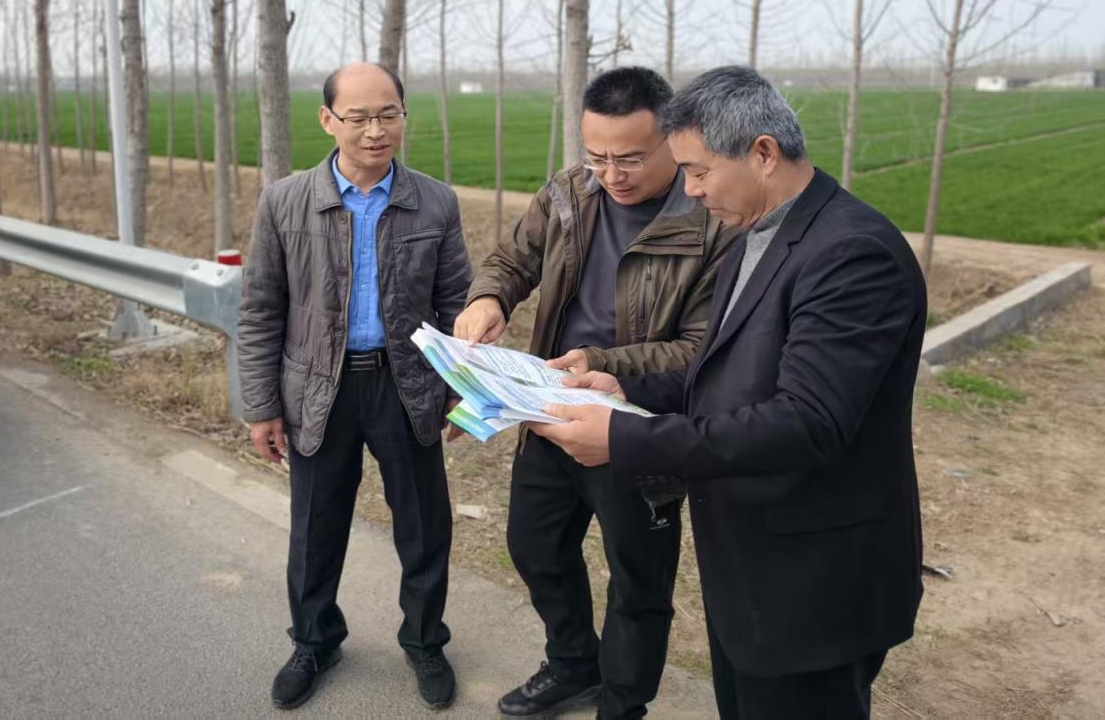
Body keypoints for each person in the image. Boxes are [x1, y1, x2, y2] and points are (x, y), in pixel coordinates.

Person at [532, 65, 926, 720]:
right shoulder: (757, 235)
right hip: (748, 568)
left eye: (699, 171)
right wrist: (623, 383)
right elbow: (724, 372)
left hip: (812, 579)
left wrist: (626, 438)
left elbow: (807, 422)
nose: (689, 189)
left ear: (763, 153)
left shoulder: (852, 254)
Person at [453, 67, 737, 720]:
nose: (612, 174)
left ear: (672, 139)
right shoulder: (569, 194)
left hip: (638, 426)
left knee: (638, 580)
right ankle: (573, 664)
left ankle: (623, 702)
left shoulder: (712, 223)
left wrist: (604, 363)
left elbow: (703, 348)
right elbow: (512, 260)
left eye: (630, 158)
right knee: (534, 545)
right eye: (597, 156)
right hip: (550, 407)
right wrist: (488, 299)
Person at [237, 62, 472, 711]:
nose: (376, 130)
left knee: (424, 528)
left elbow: (458, 305)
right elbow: (260, 310)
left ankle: (424, 640)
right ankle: (314, 641)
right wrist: (261, 406)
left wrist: (462, 392)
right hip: (319, 388)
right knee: (315, 529)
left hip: (407, 386)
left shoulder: (435, 201)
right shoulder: (285, 201)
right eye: (359, 117)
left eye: (388, 114)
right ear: (328, 120)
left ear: (403, 115)